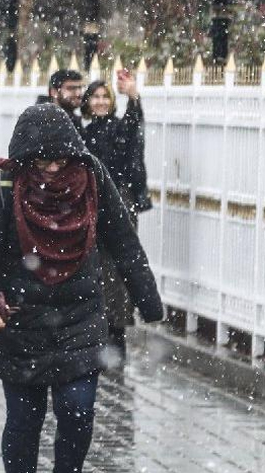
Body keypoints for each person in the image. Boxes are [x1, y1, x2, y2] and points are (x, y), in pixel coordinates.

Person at [0, 103, 163, 473]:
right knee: (25, 421)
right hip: (21, 325)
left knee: (78, 412)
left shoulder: (92, 181)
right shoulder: (3, 188)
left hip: (80, 320)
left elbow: (124, 242)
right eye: (42, 163)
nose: (54, 170)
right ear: (25, 160)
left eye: (60, 160)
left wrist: (148, 301)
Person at [80, 70, 153, 364]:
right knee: (93, 265)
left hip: (119, 202)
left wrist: (133, 95)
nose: (99, 102)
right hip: (90, 204)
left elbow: (136, 130)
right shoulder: (82, 134)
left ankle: (117, 332)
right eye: (95, 96)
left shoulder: (120, 129)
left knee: (118, 268)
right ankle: (96, 328)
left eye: (105, 97)